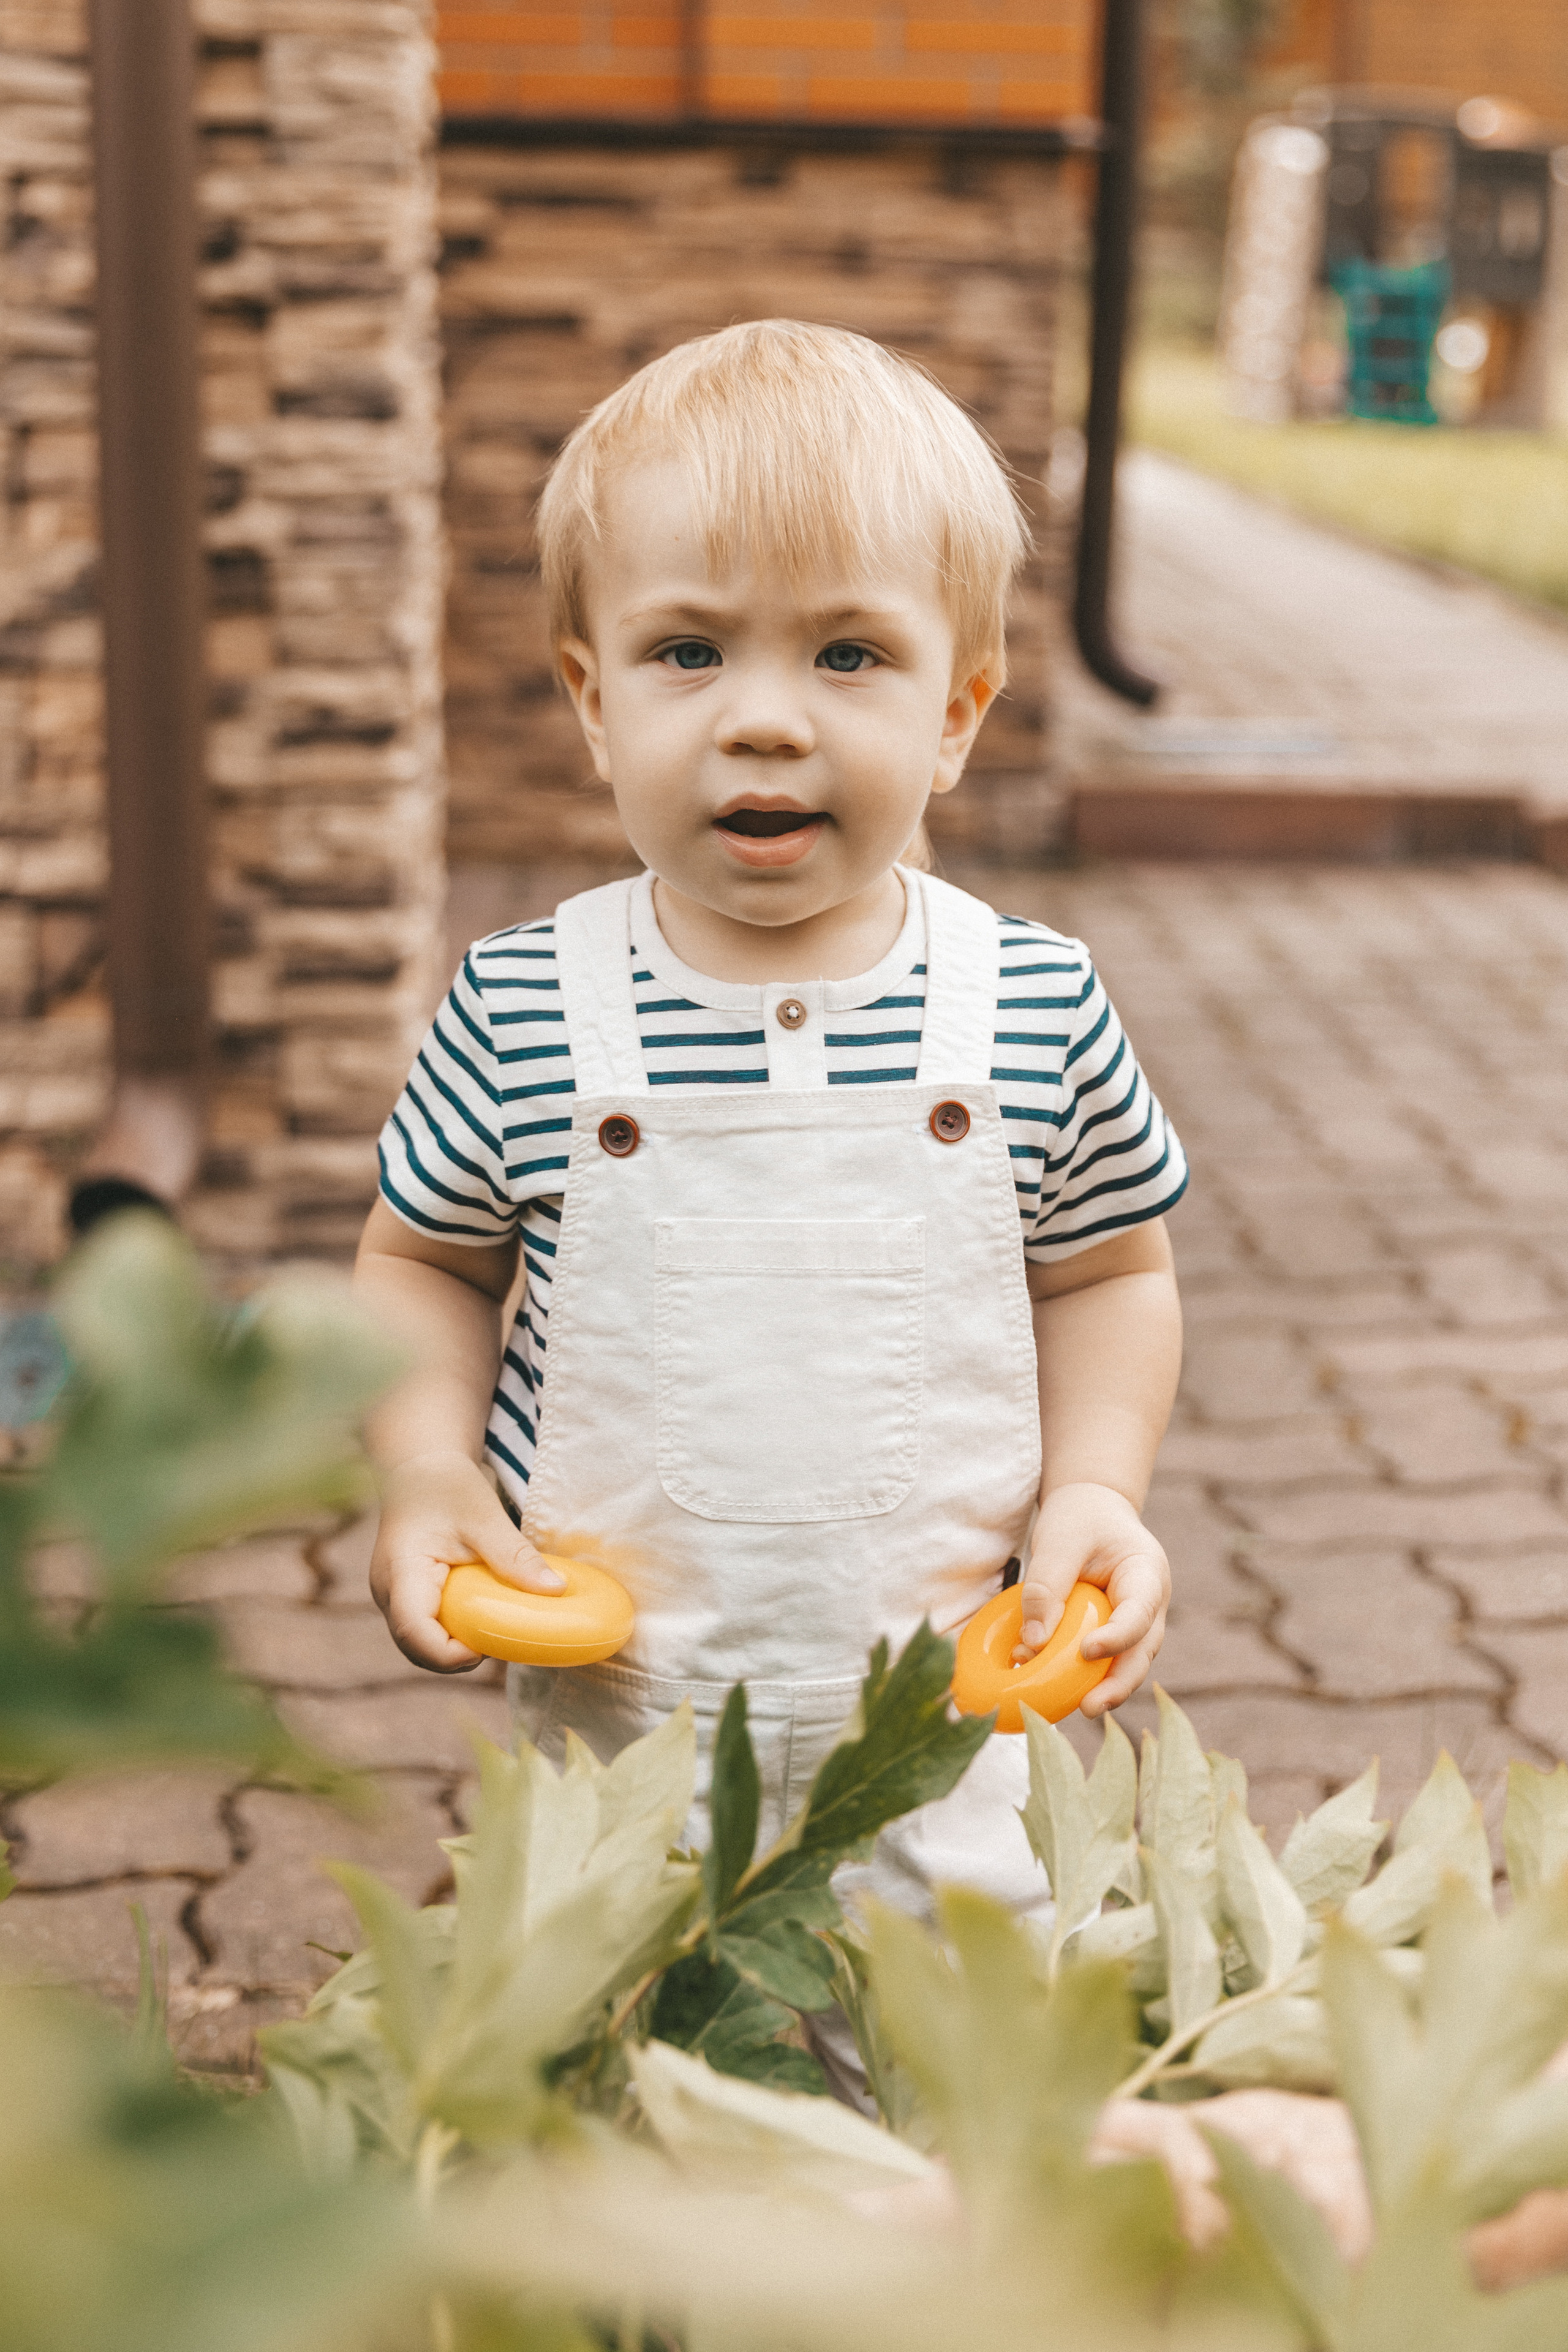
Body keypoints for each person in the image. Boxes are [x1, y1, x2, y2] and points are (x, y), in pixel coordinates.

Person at [355, 318, 1185, 1950]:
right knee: (617, 2089)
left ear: (959, 710)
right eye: (689, 653)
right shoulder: (528, 1007)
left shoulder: (1031, 1006)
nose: (763, 721)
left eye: (847, 657)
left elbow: (1107, 1275)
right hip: (624, 1739)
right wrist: (426, 1467)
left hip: (942, 1737)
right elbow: (419, 1263)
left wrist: (1100, 1484)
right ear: (594, 701)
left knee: (962, 2098)